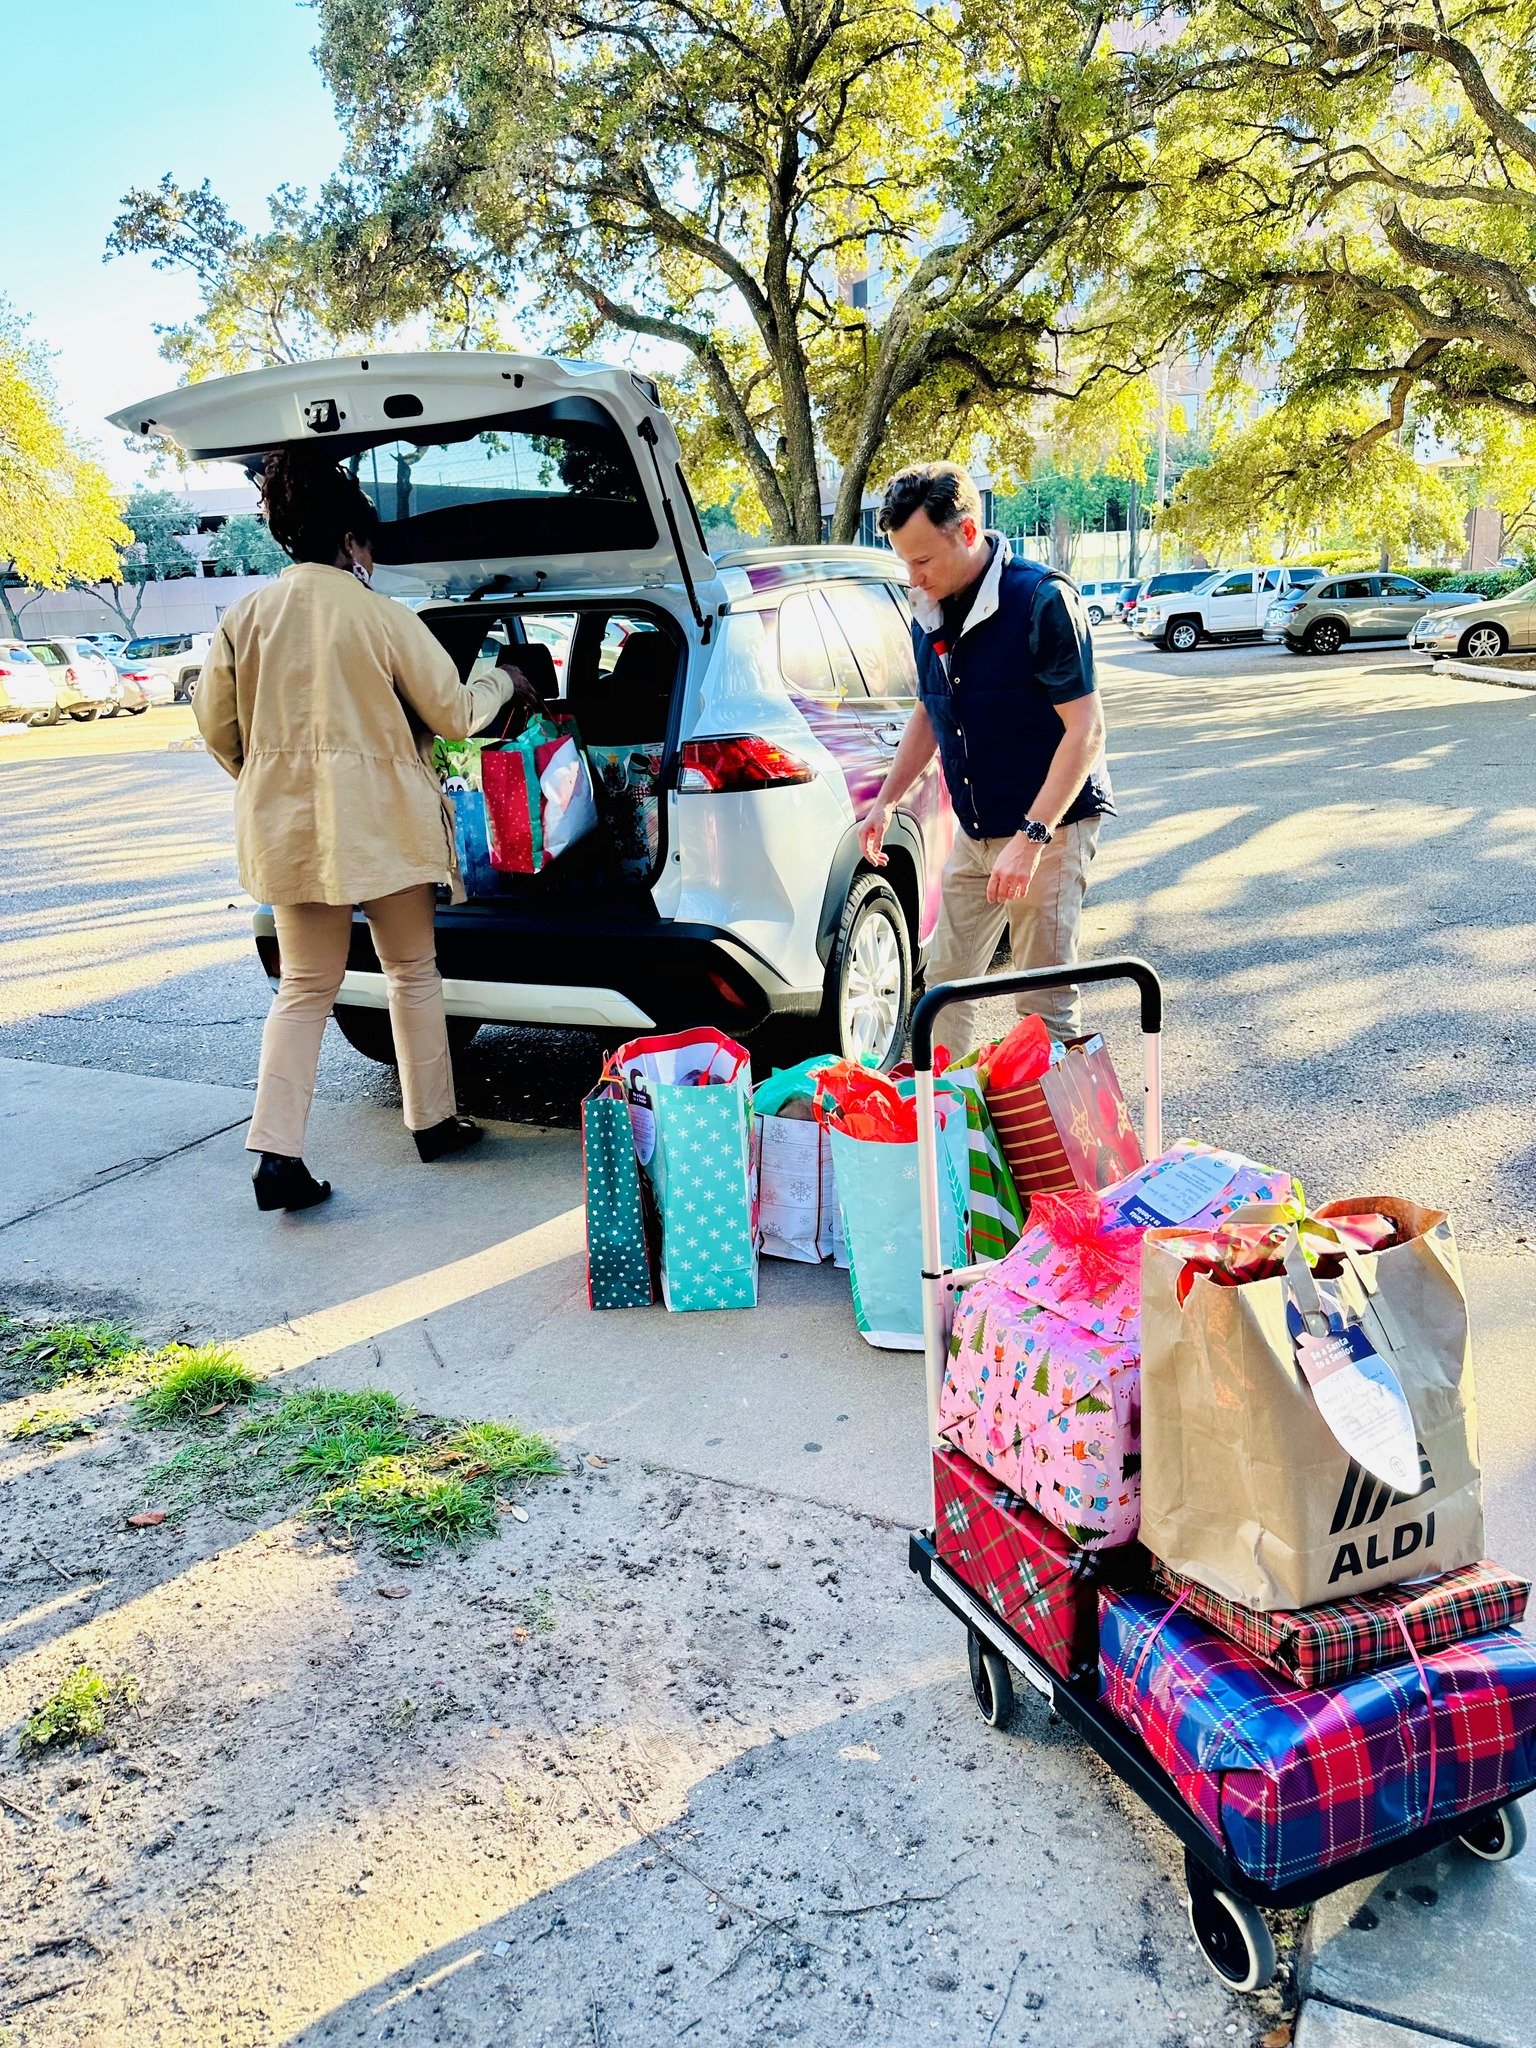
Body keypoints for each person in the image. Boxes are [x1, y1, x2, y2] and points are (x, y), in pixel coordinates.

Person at [195, 448, 520, 1214]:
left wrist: (270, 778)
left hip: (288, 826)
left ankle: (276, 1155)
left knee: (304, 988)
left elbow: (216, 726)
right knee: (411, 971)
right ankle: (434, 1123)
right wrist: (507, 678)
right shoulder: (381, 615)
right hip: (384, 825)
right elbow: (454, 715)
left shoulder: (246, 616)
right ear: (350, 543)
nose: (371, 557)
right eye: (368, 544)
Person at [858, 461, 1113, 1051]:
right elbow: (931, 709)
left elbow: (1086, 731)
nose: (913, 578)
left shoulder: (1041, 601)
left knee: (1042, 1000)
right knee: (944, 985)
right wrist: (885, 801)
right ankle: (954, 1122)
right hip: (976, 832)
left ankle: (1057, 1138)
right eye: (904, 562)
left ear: (968, 533)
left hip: (1051, 825)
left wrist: (1032, 837)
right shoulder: (930, 607)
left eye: (922, 560)